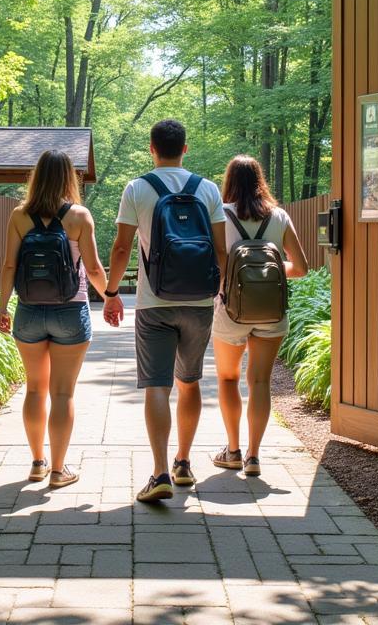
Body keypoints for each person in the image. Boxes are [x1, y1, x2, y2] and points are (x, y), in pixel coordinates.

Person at [108, 119, 227, 503]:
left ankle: (159, 472)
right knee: (189, 382)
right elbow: (221, 251)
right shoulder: (207, 189)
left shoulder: (138, 188)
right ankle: (184, 462)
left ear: (151, 148)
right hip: (199, 303)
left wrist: (112, 293)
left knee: (157, 385)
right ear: (186, 148)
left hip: (154, 302)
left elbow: (122, 248)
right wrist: (220, 293)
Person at [0, 150, 124, 488]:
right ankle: (57, 470)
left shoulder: (20, 216)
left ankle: (36, 463)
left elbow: (9, 265)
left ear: (37, 177)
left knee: (35, 389)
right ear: (70, 177)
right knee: (63, 393)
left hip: (29, 312)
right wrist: (111, 298)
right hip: (71, 310)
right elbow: (94, 268)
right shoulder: (80, 216)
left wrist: (2, 307)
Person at [212, 155, 308, 478]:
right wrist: (269, 272)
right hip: (271, 312)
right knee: (260, 381)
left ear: (229, 182)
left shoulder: (221, 215)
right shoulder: (278, 217)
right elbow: (302, 267)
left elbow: (215, 265)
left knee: (228, 379)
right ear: (260, 180)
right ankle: (254, 456)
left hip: (230, 312)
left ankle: (233, 450)